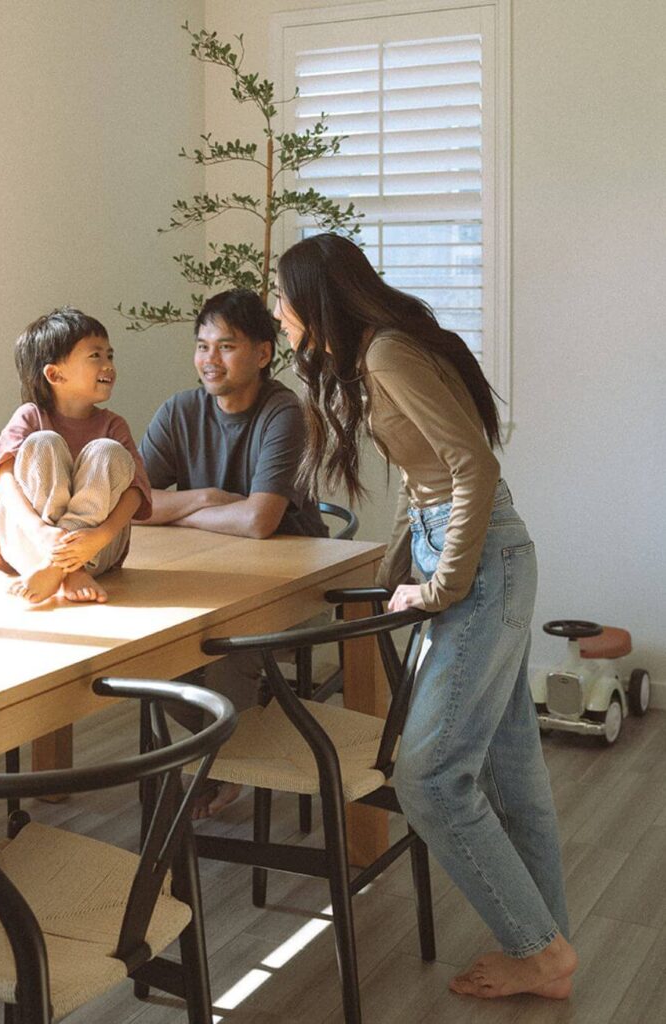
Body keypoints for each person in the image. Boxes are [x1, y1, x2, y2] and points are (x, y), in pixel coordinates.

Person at [273, 233, 576, 1001]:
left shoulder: (384, 354)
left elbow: (472, 465)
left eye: (282, 299)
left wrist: (442, 584)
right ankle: (548, 946)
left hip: (482, 567)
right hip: (484, 556)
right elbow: (433, 477)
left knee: (430, 777)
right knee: (509, 770)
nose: (278, 315)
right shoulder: (385, 349)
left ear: (316, 299)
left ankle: (536, 948)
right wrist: (405, 564)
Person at [139, 288, 327, 814]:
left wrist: (180, 507)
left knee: (232, 645)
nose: (209, 360)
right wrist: (204, 497)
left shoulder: (284, 413)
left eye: (226, 346)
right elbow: (131, 505)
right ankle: (241, 741)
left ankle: (219, 766)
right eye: (202, 346)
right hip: (210, 578)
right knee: (147, 644)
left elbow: (259, 520)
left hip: (294, 591)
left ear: (264, 354)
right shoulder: (179, 410)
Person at [0, 307, 152, 605]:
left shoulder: (113, 425)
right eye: (95, 356)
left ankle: (59, 569)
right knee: (43, 443)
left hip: (95, 550)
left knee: (107, 451)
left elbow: (137, 492)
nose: (108, 365)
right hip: (33, 543)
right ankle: (66, 569)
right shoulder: (30, 417)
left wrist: (100, 537)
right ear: (54, 374)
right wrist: (41, 533)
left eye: (110, 356)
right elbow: (4, 481)